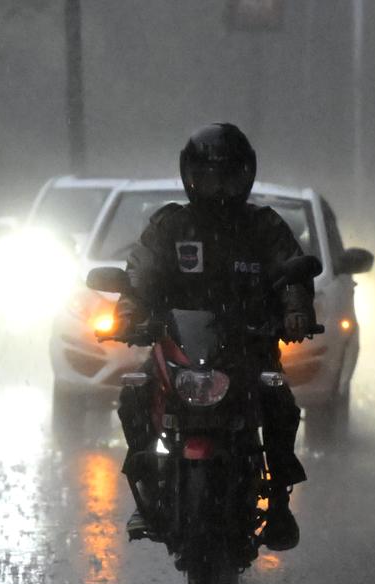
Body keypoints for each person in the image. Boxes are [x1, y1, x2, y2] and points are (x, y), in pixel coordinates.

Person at [114, 122, 312, 551]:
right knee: (133, 394)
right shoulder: (170, 226)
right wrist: (129, 312)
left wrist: (295, 311)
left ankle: (278, 501)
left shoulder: (263, 226)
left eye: (227, 176)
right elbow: (140, 274)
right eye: (208, 176)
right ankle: (146, 491)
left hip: (249, 349)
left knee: (280, 403)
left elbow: (291, 270)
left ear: (245, 176)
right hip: (180, 347)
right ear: (190, 176)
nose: (217, 187)